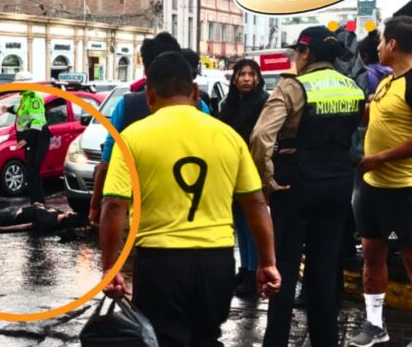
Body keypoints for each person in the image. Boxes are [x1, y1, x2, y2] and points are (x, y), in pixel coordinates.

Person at [100, 52, 280, 347]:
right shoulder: (229, 137)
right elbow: (256, 204)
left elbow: (115, 205)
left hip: (159, 263)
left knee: (164, 340)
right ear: (195, 92)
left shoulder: (131, 138)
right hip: (217, 261)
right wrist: (267, 262)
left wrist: (111, 266)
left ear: (149, 95)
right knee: (206, 338)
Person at [249, 26, 366, 347]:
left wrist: (266, 180)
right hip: (339, 185)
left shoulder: (292, 87)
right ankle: (325, 340)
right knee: (325, 268)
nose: (294, 59)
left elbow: (261, 137)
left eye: (296, 53)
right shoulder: (352, 87)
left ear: (307, 53)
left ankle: (276, 341)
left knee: (283, 268)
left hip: (296, 185)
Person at [349, 16, 412, 347]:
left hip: (402, 191)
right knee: (372, 253)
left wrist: (379, 158)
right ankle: (375, 324)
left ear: (393, 45)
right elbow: (371, 114)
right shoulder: (388, 82)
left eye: (381, 39)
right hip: (371, 188)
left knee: (409, 256)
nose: (376, 46)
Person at [88, 33, 182, 225]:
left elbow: (107, 163)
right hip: (186, 217)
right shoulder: (200, 108)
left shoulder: (127, 105)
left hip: (137, 217)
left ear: (146, 69)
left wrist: (96, 205)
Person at [219, 58, 269, 298]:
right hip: (230, 170)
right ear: (235, 78)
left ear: (258, 78)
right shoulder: (228, 104)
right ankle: (245, 267)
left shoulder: (263, 103)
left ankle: (253, 271)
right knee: (239, 221)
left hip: (252, 169)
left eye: (251, 74)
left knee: (251, 222)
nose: (247, 79)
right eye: (242, 74)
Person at [1, 90, 50, 204]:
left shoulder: (34, 98)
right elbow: (20, 108)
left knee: (32, 172)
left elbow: (37, 122)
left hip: (37, 138)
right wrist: (7, 109)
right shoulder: (25, 97)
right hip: (31, 139)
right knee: (30, 173)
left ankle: (38, 203)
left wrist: (26, 140)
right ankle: (36, 203)